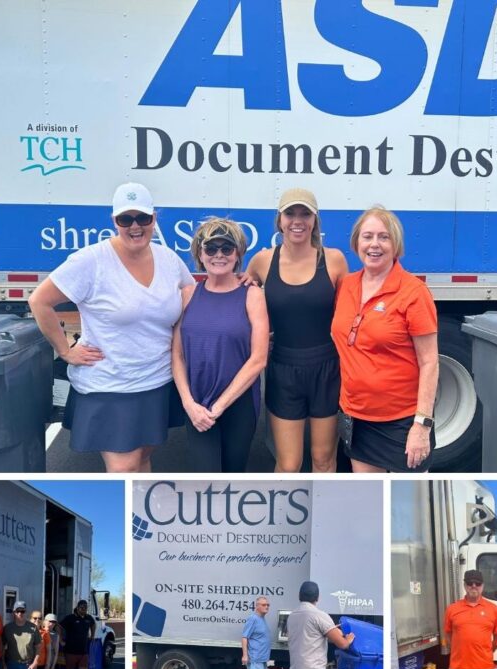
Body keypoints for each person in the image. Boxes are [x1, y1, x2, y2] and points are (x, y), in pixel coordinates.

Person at [29, 181, 195, 472]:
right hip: (111, 384)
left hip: (156, 380)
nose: (135, 226)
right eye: (125, 219)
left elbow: (191, 293)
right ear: (114, 221)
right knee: (123, 468)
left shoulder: (168, 259)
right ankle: (121, 518)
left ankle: (140, 515)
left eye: (142, 218)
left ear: (154, 219)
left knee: (142, 457)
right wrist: (65, 350)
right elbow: (39, 301)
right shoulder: (92, 260)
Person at [246, 188, 348, 473]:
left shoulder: (335, 260)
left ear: (315, 220)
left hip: (327, 369)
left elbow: (349, 315)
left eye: (305, 214)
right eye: (290, 213)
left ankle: (325, 516)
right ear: (279, 220)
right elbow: (239, 304)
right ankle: (282, 517)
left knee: (323, 460)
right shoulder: (262, 261)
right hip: (283, 369)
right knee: (289, 465)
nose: (297, 221)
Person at [331, 206, 439, 472]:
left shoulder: (413, 292)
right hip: (356, 416)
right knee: (370, 503)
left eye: (384, 237)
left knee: (408, 505)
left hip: (401, 422)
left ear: (396, 245)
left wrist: (421, 425)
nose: (374, 245)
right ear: (357, 242)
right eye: (367, 237)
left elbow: (429, 362)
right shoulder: (347, 285)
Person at [172, 218, 269, 471]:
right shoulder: (188, 295)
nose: (219, 255)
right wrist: (189, 404)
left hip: (238, 405)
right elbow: (178, 355)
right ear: (200, 254)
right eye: (211, 248)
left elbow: (258, 358)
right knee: (204, 477)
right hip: (197, 405)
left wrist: (219, 406)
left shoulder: (252, 295)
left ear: (237, 254)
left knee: (232, 478)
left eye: (227, 248)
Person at [60, 599, 96, 669]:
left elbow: (93, 624)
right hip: (70, 651)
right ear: (77, 607)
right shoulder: (70, 618)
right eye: (82, 607)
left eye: (85, 608)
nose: (84, 609)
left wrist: (92, 635)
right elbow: (58, 626)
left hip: (83, 651)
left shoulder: (89, 618)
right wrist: (60, 640)